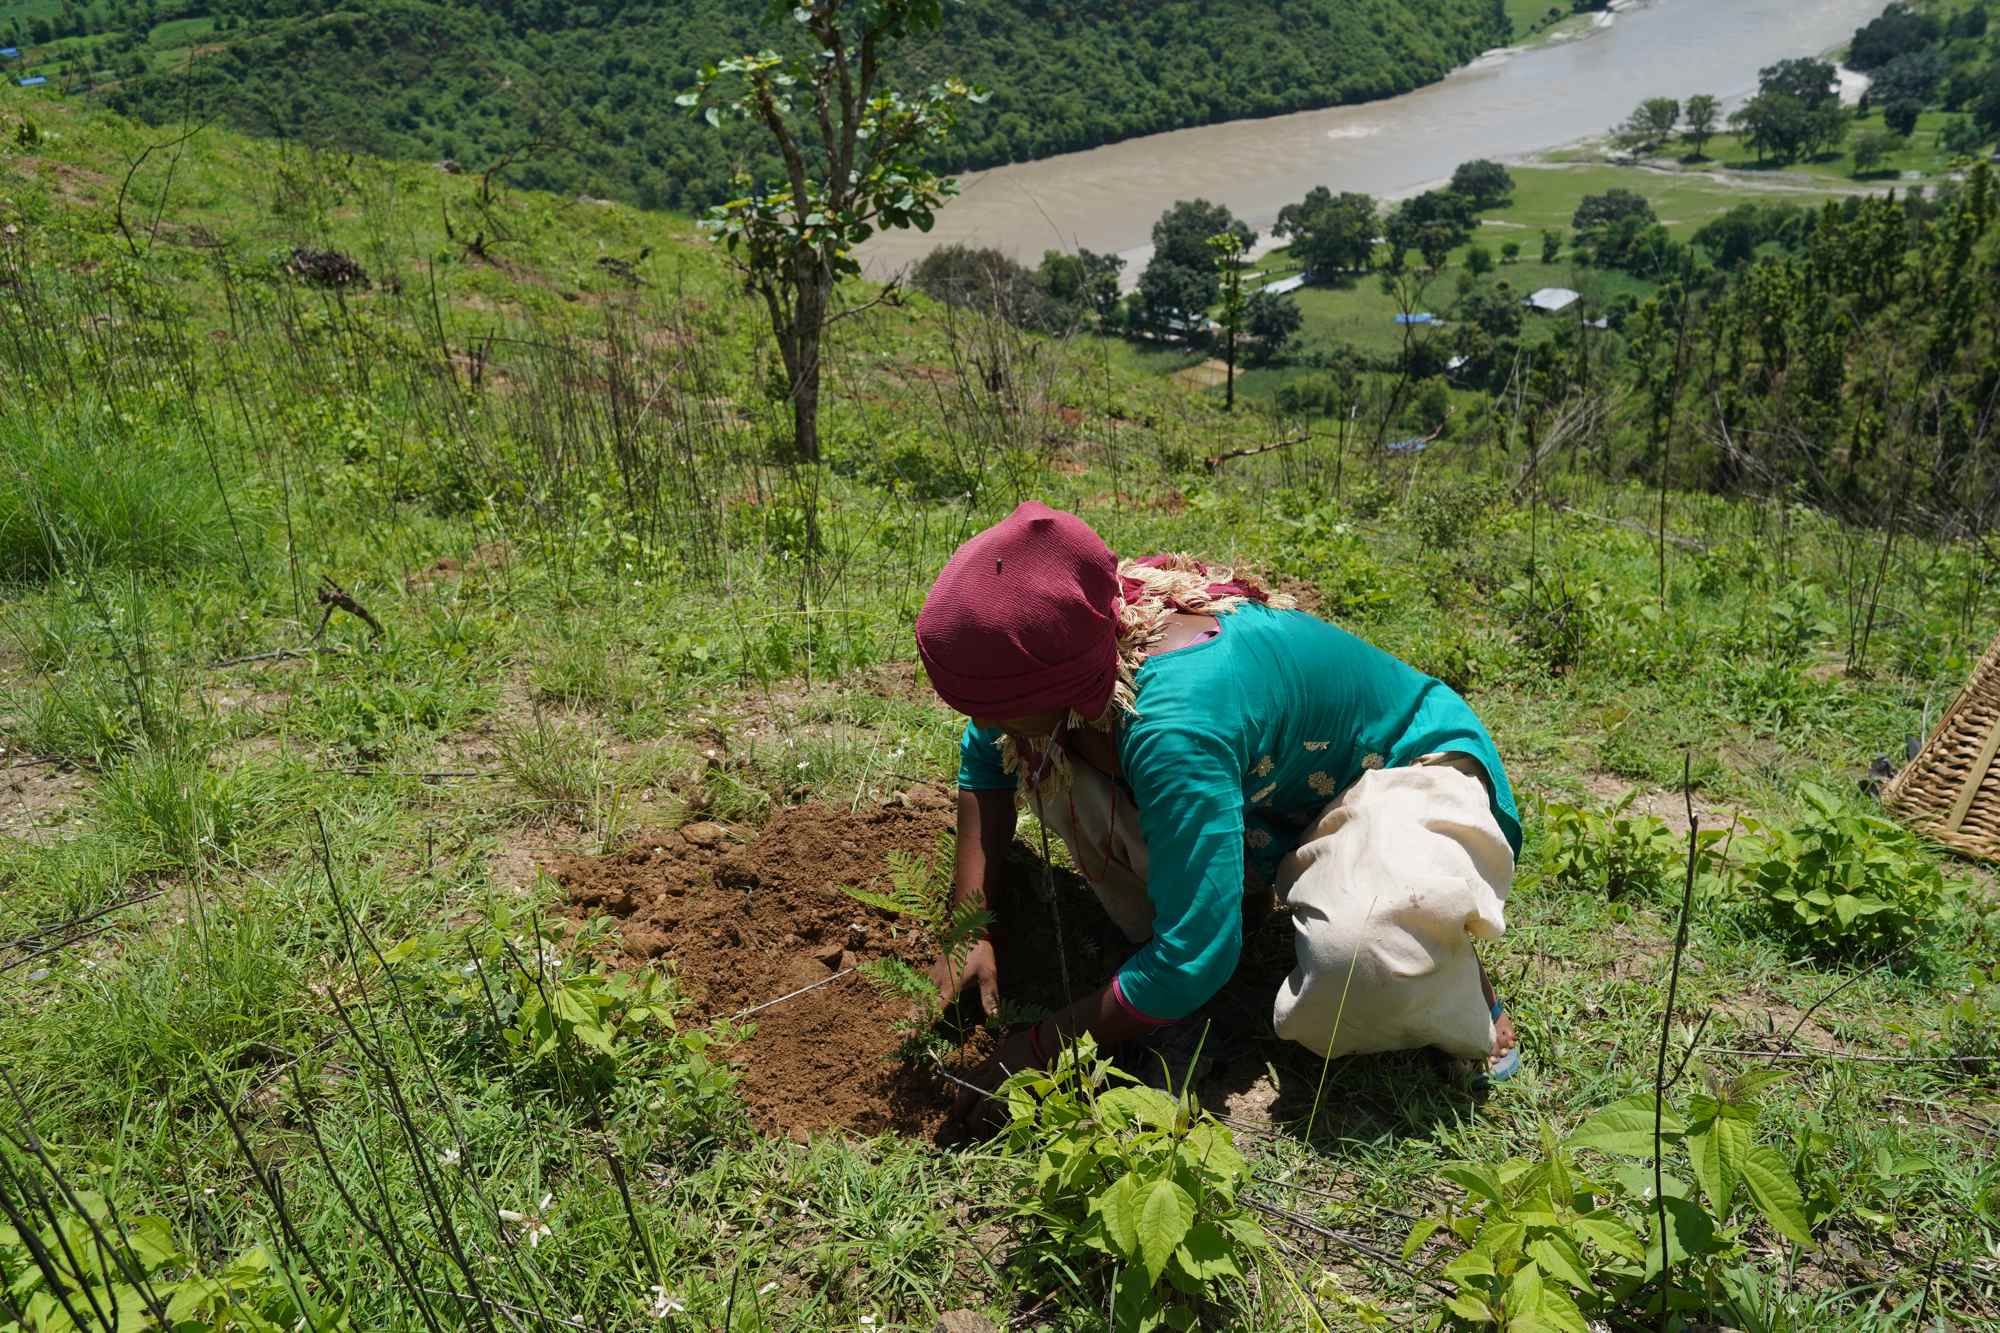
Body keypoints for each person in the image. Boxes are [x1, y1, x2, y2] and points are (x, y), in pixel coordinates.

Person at [914, 502, 1523, 1109]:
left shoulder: (1172, 725)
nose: (983, 721)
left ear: (1054, 685)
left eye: (991, 707)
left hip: (1400, 770)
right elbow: (986, 760)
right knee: (1048, 757)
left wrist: (1038, 1049)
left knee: (1359, 957)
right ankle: (1239, 902)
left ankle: (1446, 971)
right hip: (1279, 787)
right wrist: (970, 927)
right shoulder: (1074, 643)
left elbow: (1193, 959)